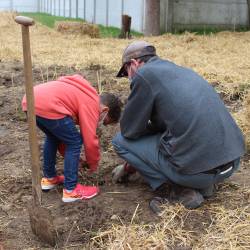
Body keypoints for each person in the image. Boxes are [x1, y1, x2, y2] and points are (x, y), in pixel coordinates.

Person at [112, 41, 245, 210]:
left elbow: (130, 131)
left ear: (134, 63)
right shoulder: (180, 71)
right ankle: (203, 186)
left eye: (126, 72)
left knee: (119, 141)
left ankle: (177, 190)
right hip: (231, 163)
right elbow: (170, 121)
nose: (128, 77)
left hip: (199, 173)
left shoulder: (144, 75)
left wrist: (132, 163)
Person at [22, 74, 122, 203]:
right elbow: (90, 141)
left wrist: (77, 160)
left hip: (31, 99)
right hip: (48, 104)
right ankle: (71, 191)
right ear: (105, 110)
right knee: (75, 141)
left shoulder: (82, 93)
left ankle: (49, 178)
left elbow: (63, 138)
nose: (100, 123)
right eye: (104, 121)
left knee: (53, 137)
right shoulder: (92, 104)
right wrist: (93, 164)